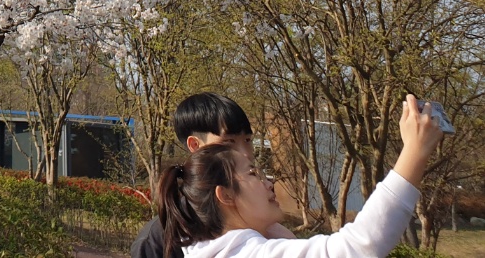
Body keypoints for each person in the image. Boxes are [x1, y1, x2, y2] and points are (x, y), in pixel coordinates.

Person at [158, 95, 442, 258]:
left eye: (247, 140)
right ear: (226, 194)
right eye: (253, 174)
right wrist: (414, 153)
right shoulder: (244, 253)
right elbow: (358, 247)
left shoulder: (208, 242)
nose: (269, 182)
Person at [132, 94, 295, 258]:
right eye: (228, 142)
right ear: (195, 145)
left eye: (247, 140)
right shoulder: (159, 239)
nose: (245, 154)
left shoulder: (268, 229)